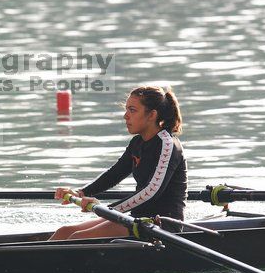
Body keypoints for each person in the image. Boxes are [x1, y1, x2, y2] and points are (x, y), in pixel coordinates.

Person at [51, 85, 187, 240]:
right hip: (137, 219)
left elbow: (151, 192)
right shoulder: (137, 143)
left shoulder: (167, 144)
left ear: (152, 115)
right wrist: (81, 192)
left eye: (132, 110)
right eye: (126, 109)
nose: (125, 116)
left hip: (163, 225)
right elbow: (114, 174)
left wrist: (107, 209)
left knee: (77, 237)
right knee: (64, 232)